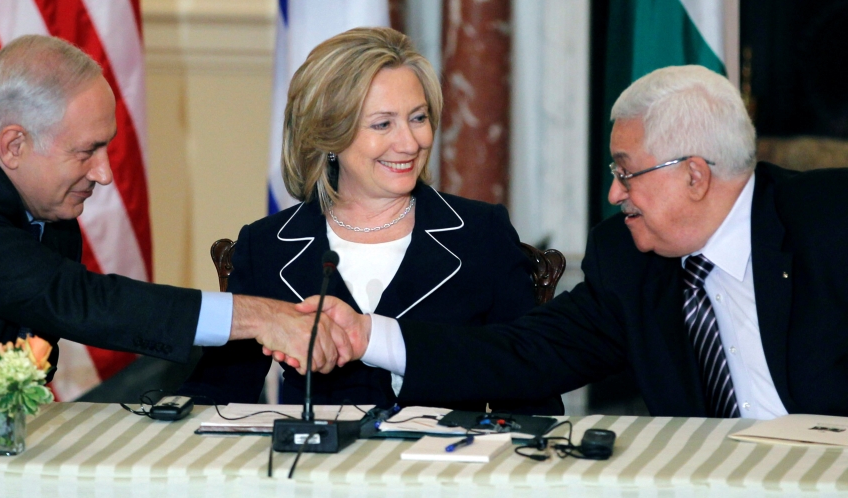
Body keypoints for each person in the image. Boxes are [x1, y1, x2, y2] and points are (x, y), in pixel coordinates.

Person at [280, 64, 848, 418]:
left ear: (695, 175)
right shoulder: (628, 260)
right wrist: (366, 335)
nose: (612, 193)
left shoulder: (828, 221)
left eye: (626, 172)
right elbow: (523, 356)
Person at [0, 35, 349, 401]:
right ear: (15, 145)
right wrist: (259, 315)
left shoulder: (42, 205)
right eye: (88, 151)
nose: (105, 174)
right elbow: (72, 300)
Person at [180, 27, 559, 414]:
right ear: (329, 134)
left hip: (447, 467)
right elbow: (216, 397)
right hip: (312, 469)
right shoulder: (269, 246)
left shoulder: (481, 234)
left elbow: (534, 389)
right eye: (383, 124)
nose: (410, 143)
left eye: (418, 118)